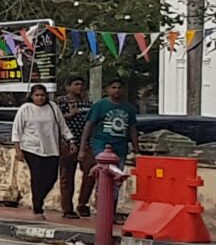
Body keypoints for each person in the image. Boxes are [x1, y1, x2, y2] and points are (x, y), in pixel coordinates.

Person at [75, 78, 138, 217]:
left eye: (119, 87)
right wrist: (82, 148)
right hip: (101, 146)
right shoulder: (100, 106)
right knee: (103, 177)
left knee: (117, 180)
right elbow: (88, 126)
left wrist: (136, 150)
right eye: (113, 87)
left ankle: (111, 211)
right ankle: (102, 209)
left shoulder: (128, 108)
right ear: (107, 90)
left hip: (120, 148)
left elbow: (132, 130)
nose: (116, 90)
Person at [10, 86, 70, 216]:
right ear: (32, 96)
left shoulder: (53, 107)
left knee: (52, 177)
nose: (40, 98)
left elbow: (62, 125)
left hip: (51, 148)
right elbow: (17, 130)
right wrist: (18, 149)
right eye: (37, 95)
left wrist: (70, 140)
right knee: (37, 176)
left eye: (42, 95)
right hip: (31, 147)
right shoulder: (26, 109)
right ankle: (37, 205)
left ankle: (39, 198)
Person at [56, 76, 89, 216]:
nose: (79, 87)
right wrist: (70, 114)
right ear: (68, 86)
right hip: (67, 142)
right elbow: (56, 121)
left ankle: (83, 203)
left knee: (90, 172)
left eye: (81, 84)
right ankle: (67, 208)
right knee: (67, 176)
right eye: (76, 84)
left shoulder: (88, 102)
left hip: (86, 142)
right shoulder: (61, 102)